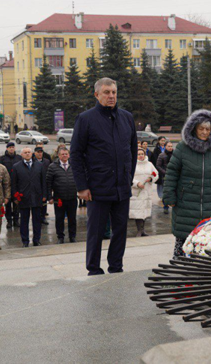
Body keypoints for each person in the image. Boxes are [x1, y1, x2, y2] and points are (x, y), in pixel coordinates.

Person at [70, 77, 138, 276]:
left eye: (114, 92)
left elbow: (132, 152)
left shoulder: (127, 118)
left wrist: (128, 177)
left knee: (120, 232)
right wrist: (82, 186)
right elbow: (76, 154)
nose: (111, 96)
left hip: (121, 188)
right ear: (97, 94)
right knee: (96, 233)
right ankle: (94, 269)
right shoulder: (86, 119)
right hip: (97, 188)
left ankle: (116, 267)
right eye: (107, 92)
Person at [163, 110, 211, 258]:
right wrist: (169, 197)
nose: (204, 132)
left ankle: (205, 273)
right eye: (201, 129)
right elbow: (171, 174)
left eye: (207, 129)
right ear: (194, 129)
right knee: (184, 243)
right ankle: (182, 271)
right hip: (186, 204)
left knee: (209, 243)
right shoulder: (183, 148)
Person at [12, 147, 46, 247]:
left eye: (29, 152)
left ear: (32, 154)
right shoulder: (16, 166)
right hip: (23, 198)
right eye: (25, 152)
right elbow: (14, 184)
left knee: (37, 220)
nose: (27, 154)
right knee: (24, 221)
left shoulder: (39, 165)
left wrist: (44, 195)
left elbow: (43, 181)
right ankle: (25, 241)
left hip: (36, 197)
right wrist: (15, 197)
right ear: (21, 155)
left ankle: (36, 240)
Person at [46, 147, 78, 244]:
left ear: (69, 155)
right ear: (59, 155)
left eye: (66, 154)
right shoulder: (52, 166)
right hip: (59, 199)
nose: (65, 156)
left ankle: (72, 236)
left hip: (72, 197)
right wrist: (49, 197)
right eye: (62, 154)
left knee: (72, 218)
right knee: (59, 219)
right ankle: (60, 237)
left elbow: (80, 178)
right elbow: (48, 183)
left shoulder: (74, 165)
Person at [130, 149, 159, 237]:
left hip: (146, 192)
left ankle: (143, 230)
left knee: (144, 211)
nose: (141, 156)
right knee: (138, 211)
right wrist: (137, 183)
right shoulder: (132, 164)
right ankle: (139, 230)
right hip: (137, 192)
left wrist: (151, 178)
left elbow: (156, 174)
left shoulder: (149, 164)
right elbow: (128, 176)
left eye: (142, 154)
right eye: (139, 154)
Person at [0, 142, 23, 229]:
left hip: (17, 184)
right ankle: (9, 221)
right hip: (6, 185)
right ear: (7, 149)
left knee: (17, 203)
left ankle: (16, 220)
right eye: (10, 147)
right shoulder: (2, 159)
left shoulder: (19, 158)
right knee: (8, 204)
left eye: (13, 147)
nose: (11, 149)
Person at [156, 141, 174, 215]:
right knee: (166, 192)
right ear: (165, 147)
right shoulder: (162, 155)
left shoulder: (175, 154)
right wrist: (165, 172)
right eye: (168, 146)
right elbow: (158, 166)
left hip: (174, 175)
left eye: (171, 146)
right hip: (165, 176)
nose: (170, 148)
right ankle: (166, 206)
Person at [35, 147, 52, 222]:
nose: (39, 153)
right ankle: (37, 217)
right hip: (36, 183)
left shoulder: (47, 161)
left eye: (41, 152)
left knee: (44, 201)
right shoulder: (33, 161)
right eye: (38, 152)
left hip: (45, 183)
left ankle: (43, 217)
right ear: (35, 153)